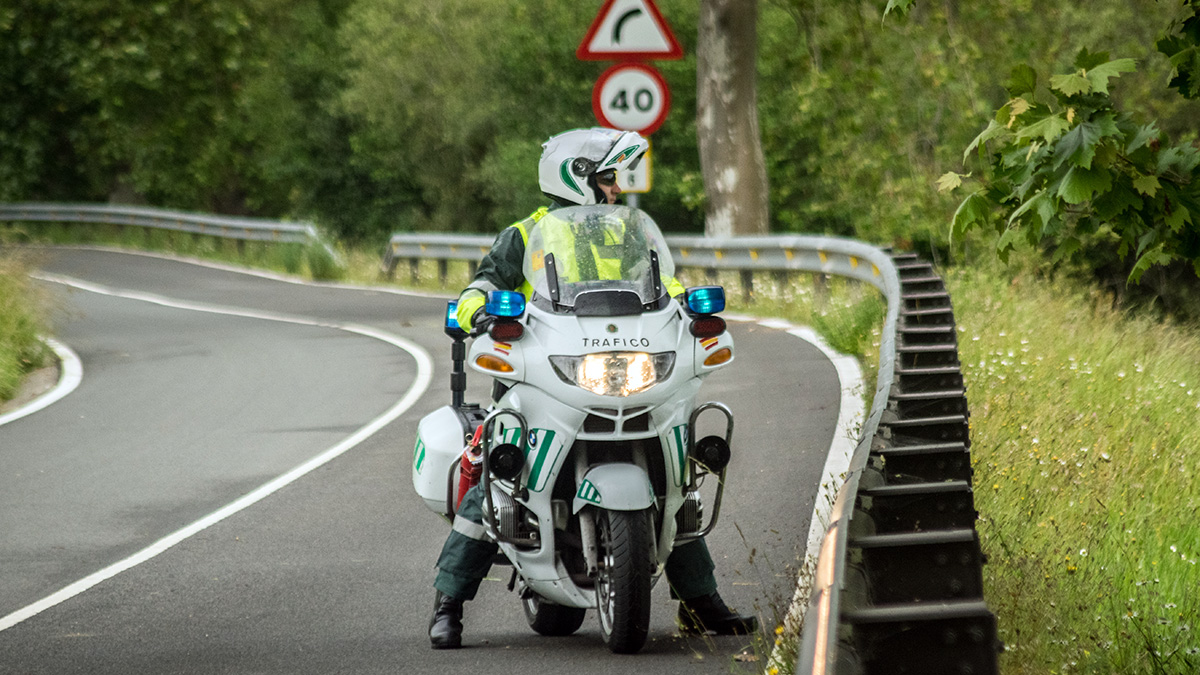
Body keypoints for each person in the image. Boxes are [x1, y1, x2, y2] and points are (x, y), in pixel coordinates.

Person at [428, 127, 758, 649]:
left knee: (674, 478)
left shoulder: (628, 234)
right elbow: (484, 284)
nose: (615, 190)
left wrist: (687, 303)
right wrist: (477, 312)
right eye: (607, 179)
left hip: (618, 366)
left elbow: (664, 286)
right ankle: (448, 603)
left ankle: (701, 603)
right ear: (576, 180)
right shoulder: (523, 234)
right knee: (495, 474)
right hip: (543, 374)